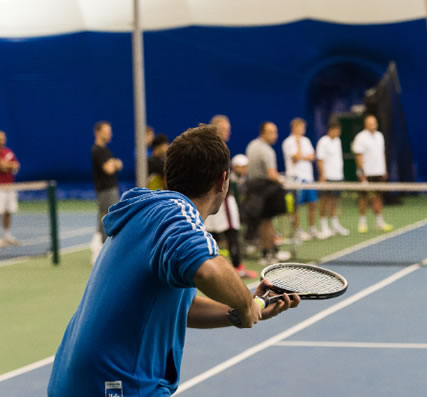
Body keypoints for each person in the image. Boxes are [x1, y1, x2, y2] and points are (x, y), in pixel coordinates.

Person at [48, 124, 300, 397]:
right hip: (118, 384)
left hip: (75, 381)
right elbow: (209, 271)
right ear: (222, 180)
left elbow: (181, 306)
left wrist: (240, 311)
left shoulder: (149, 214)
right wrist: (244, 301)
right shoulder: (176, 213)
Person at [205, 115, 257, 278]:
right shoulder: (215, 148)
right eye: (225, 129)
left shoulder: (215, 147)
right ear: (217, 129)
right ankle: (235, 268)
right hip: (221, 198)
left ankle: (218, 267)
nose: (229, 132)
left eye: (229, 129)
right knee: (230, 230)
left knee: (216, 232)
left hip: (217, 197)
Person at [245, 121, 291, 265]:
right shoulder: (267, 151)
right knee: (268, 222)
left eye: (275, 132)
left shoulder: (251, 145)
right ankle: (271, 253)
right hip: (266, 190)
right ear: (263, 133)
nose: (275, 135)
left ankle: (267, 253)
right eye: (272, 132)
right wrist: (282, 179)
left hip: (253, 189)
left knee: (263, 222)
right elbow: (272, 175)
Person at [282, 118, 322, 241]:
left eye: (303, 127)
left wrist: (301, 156)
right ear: (295, 128)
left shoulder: (306, 140)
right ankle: (298, 230)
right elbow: (294, 158)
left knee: (313, 204)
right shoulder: (288, 142)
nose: (303, 129)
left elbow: (312, 157)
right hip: (295, 179)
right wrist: (298, 144)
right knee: (296, 207)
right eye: (301, 127)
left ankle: (312, 229)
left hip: (308, 178)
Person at [351, 114, 393, 233]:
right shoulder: (360, 137)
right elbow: (358, 156)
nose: (372, 125)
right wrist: (362, 173)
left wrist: (384, 169)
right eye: (370, 123)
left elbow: (381, 153)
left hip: (378, 173)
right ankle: (362, 223)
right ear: (366, 125)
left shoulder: (380, 136)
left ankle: (380, 222)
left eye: (374, 123)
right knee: (364, 199)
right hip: (366, 174)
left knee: (378, 197)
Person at [316, 122, 350, 238]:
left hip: (338, 177)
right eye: (337, 130)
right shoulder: (323, 142)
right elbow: (320, 160)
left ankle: (335, 225)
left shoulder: (338, 141)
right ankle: (324, 226)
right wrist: (322, 175)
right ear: (331, 130)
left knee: (335, 201)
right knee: (325, 201)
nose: (338, 132)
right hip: (328, 177)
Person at [91, 121, 123, 243]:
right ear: (98, 132)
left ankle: (100, 245)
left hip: (111, 190)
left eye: (110, 131)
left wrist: (114, 163)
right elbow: (109, 169)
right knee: (108, 219)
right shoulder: (97, 151)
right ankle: (102, 246)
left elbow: (118, 165)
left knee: (106, 219)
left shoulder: (105, 150)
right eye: (106, 131)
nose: (109, 134)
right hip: (105, 191)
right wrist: (115, 163)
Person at [0, 130, 20, 246]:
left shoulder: (8, 152)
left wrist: (6, 165)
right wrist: (8, 165)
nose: (2, 140)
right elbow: (1, 167)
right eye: (0, 138)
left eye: (3, 138)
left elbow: (16, 166)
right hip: (0, 188)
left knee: (8, 212)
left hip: (10, 187)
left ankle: (7, 236)